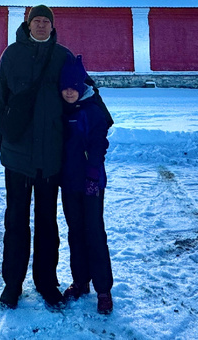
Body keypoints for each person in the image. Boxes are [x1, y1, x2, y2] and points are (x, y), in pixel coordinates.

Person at [0, 4, 74, 311]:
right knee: (16, 222)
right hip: (18, 157)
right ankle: (12, 285)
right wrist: (0, 140)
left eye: (45, 22)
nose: (40, 26)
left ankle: (47, 283)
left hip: (50, 157)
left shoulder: (63, 57)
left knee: (47, 223)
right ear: (28, 25)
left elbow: (82, 96)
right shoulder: (11, 55)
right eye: (36, 21)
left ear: (52, 26)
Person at [58, 54, 115, 315]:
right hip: (68, 182)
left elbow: (98, 145)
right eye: (65, 87)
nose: (69, 92)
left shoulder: (92, 111)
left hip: (91, 183)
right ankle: (81, 281)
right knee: (75, 232)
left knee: (94, 232)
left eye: (74, 87)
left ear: (82, 87)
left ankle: (104, 289)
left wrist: (92, 176)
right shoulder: (61, 109)